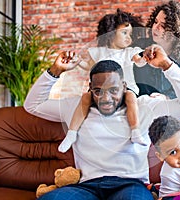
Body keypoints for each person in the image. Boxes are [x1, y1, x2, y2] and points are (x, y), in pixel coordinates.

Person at [24, 44, 180, 199]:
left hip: (130, 185)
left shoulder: (145, 107)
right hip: (87, 187)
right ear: (90, 89)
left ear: (124, 87)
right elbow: (32, 105)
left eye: (113, 90)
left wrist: (166, 65)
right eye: (98, 91)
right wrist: (55, 71)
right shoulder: (77, 108)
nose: (105, 98)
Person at [58, 9, 148, 153]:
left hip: (125, 89)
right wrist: (76, 61)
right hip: (101, 90)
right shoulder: (98, 52)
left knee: (131, 98)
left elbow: (139, 61)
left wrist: (145, 58)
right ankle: (71, 133)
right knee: (86, 97)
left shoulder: (130, 52)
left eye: (130, 35)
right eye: (124, 33)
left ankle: (135, 131)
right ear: (111, 33)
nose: (128, 38)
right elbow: (87, 66)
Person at [133, 0, 180, 99]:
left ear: (176, 31)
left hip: (166, 108)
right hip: (140, 106)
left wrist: (166, 97)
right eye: (155, 22)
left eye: (163, 26)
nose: (155, 27)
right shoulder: (139, 46)